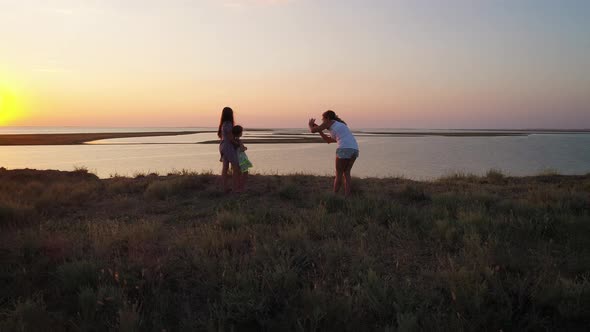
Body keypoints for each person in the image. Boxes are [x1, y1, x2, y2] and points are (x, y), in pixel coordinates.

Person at [308, 110, 359, 196]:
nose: (322, 121)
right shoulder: (339, 126)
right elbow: (328, 140)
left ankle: (334, 195)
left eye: (323, 119)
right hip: (354, 149)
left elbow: (313, 130)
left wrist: (310, 125)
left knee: (338, 173)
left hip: (344, 149)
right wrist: (320, 130)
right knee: (346, 173)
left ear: (327, 118)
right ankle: (347, 196)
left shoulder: (330, 122)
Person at [218, 106, 241, 193]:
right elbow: (231, 138)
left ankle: (225, 188)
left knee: (225, 168)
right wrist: (238, 144)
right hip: (228, 147)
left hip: (223, 146)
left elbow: (223, 137)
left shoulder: (223, 124)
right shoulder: (228, 124)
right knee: (236, 167)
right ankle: (235, 188)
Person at [232, 125, 253, 191]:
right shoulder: (239, 141)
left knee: (238, 173)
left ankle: (237, 186)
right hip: (242, 159)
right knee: (245, 172)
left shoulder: (232, 141)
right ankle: (241, 187)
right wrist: (245, 148)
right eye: (241, 132)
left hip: (236, 158)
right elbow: (241, 149)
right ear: (239, 133)